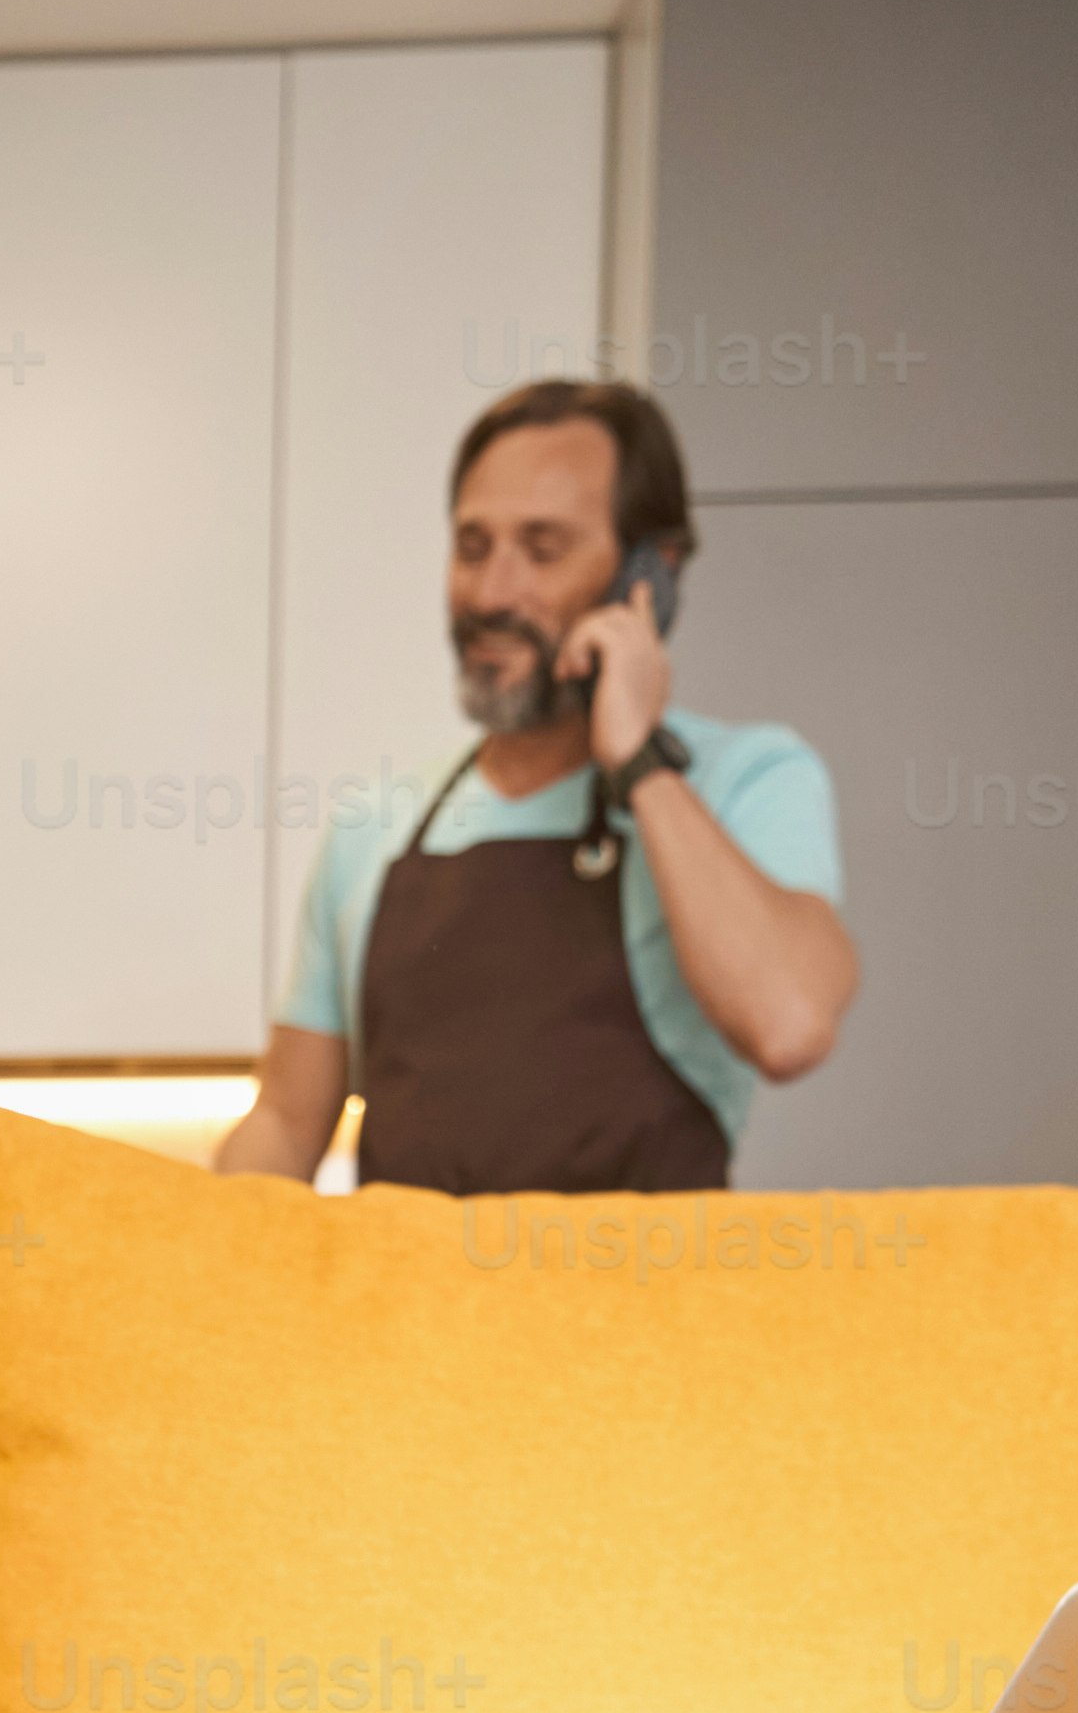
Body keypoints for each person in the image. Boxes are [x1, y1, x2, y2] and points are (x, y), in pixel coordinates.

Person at [224, 375, 858, 1197]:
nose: (492, 594)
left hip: (650, 1319)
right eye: (473, 546)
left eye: (544, 549)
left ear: (649, 574)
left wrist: (636, 759)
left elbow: (791, 1023)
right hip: (413, 1321)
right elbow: (285, 1119)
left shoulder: (747, 778)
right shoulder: (375, 824)